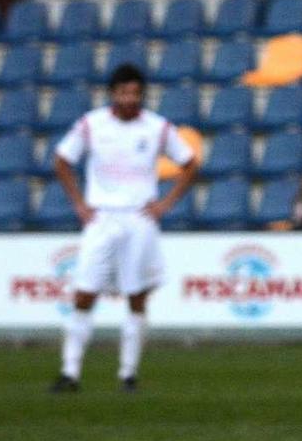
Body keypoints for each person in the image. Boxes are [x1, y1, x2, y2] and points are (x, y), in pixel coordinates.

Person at [49, 64, 198, 393]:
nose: (129, 99)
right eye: (123, 92)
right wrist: (79, 203)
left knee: (137, 295)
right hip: (101, 217)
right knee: (85, 292)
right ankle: (70, 372)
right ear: (112, 94)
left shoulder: (157, 127)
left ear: (142, 95)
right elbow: (61, 159)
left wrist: (166, 203)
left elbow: (189, 162)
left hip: (139, 217)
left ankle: (128, 374)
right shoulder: (92, 124)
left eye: (135, 93)